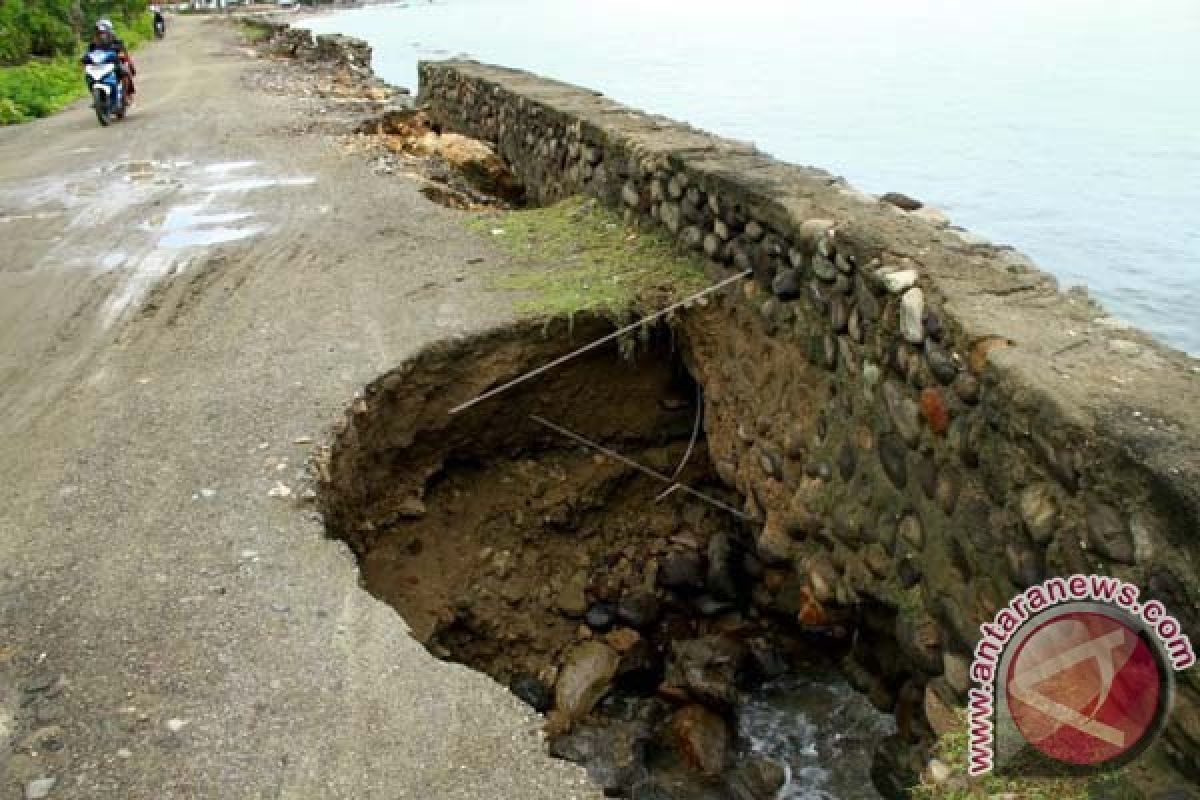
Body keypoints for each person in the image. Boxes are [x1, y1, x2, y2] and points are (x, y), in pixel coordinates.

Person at [82, 19, 136, 103]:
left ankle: (124, 96)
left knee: (125, 73)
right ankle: (96, 97)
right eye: (99, 32)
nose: (102, 35)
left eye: (103, 32)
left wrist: (125, 58)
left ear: (109, 31)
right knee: (88, 77)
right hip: (98, 67)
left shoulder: (116, 41)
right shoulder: (93, 43)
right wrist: (85, 59)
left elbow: (124, 53)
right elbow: (88, 54)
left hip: (114, 64)